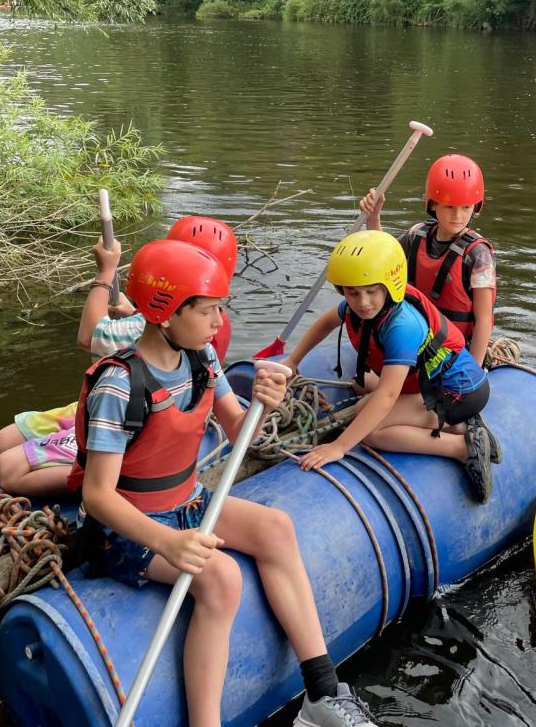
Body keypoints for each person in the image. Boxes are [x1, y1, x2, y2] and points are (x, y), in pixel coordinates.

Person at [73, 239, 375, 727]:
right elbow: (97, 496)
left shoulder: (202, 358)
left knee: (276, 527)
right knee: (222, 579)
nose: (219, 322)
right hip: (125, 530)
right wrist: (168, 542)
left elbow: (242, 434)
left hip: (186, 502)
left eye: (220, 308)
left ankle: (321, 693)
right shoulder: (119, 385)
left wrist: (263, 402)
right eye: (208, 310)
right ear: (166, 313)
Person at [0, 217, 237, 496]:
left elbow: (88, 336)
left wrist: (105, 272)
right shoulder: (210, 323)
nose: (213, 318)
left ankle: (95, 475)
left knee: (6, 463)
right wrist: (135, 310)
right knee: (4, 439)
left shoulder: (172, 328)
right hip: (140, 404)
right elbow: (158, 335)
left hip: (134, 419)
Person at [279, 230, 500, 501]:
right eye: (352, 292)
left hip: (459, 392)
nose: (363, 302)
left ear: (390, 285)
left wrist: (339, 446)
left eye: (372, 292)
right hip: (432, 383)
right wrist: (293, 360)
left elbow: (387, 396)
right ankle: (458, 426)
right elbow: (326, 322)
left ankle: (462, 444)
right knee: (362, 390)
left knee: (372, 431)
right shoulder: (360, 305)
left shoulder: (401, 325)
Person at [359, 153, 497, 365]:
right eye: (449, 207)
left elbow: (484, 319)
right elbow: (383, 257)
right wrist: (373, 216)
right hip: (411, 338)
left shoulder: (478, 255)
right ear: (432, 204)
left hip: (450, 350)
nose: (458, 216)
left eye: (466, 207)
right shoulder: (417, 235)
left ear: (475, 207)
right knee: (363, 382)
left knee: (373, 387)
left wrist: (474, 371)